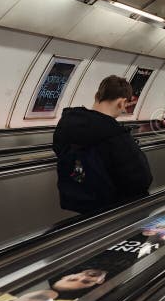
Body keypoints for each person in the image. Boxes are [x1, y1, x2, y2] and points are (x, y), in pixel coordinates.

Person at [53, 75, 153, 213]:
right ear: (121, 102)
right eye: (125, 106)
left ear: (96, 96)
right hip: (109, 211)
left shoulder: (66, 124)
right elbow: (142, 180)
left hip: (73, 205)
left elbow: (59, 150)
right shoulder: (117, 136)